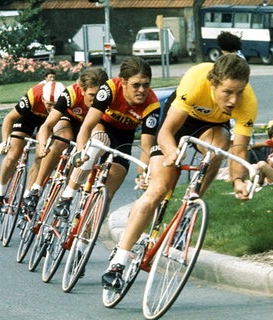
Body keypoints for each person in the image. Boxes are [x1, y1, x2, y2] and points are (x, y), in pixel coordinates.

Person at [102, 54, 257, 289]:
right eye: (227, 92)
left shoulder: (247, 102)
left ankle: (192, 205)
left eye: (239, 92)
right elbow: (165, 132)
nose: (234, 100)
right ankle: (119, 260)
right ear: (213, 83)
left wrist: (238, 179)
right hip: (177, 124)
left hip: (211, 128)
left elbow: (239, 149)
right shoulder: (195, 80)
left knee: (218, 148)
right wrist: (171, 151)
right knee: (158, 190)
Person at [52, 57, 159, 230]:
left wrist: (142, 174)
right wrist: (80, 152)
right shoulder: (110, 89)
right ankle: (67, 196)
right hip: (102, 126)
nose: (142, 90)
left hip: (124, 139)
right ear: (123, 82)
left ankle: (84, 241)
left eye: (146, 85)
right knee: (98, 141)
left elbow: (146, 148)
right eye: (136, 85)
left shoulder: (151, 105)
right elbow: (87, 126)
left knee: (108, 193)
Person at [21, 68, 109, 210]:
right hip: (69, 120)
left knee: (89, 149)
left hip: (90, 123)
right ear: (82, 90)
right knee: (63, 138)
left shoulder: (106, 97)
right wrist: (43, 145)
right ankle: (36, 188)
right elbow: (46, 125)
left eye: (99, 95)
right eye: (91, 95)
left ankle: (65, 197)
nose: (96, 100)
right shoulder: (71, 93)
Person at [0, 80, 65, 215]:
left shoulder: (64, 101)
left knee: (40, 157)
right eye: (48, 104)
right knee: (13, 154)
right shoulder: (33, 96)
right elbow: (9, 118)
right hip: (27, 118)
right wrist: (5, 141)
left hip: (50, 122)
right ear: (42, 99)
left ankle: (26, 198)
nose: (51, 108)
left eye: (55, 105)